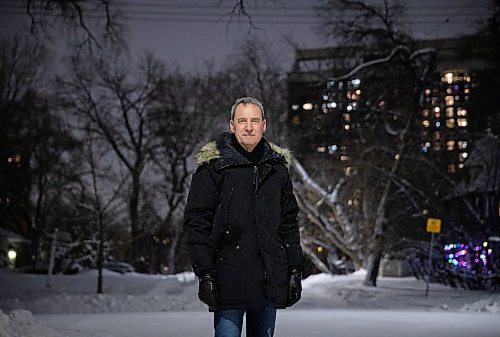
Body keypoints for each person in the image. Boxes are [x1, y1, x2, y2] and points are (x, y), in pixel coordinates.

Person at [184, 96, 304, 337]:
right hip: (227, 280)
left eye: (254, 120)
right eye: (242, 120)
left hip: (268, 280)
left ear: (264, 125)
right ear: (232, 125)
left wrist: (294, 270)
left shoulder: (277, 170)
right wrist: (205, 273)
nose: (249, 126)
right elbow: (197, 223)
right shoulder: (213, 168)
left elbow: (289, 223)